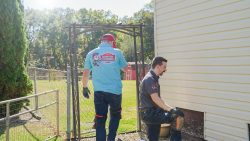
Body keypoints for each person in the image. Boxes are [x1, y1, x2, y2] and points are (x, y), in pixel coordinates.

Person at [82, 33, 128, 141]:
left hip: (99, 92)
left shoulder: (91, 53)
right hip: (115, 92)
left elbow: (85, 73)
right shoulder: (117, 52)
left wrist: (84, 87)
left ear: (101, 41)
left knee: (100, 118)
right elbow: (125, 69)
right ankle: (111, 139)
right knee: (115, 116)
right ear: (112, 42)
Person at [139, 56, 184, 141]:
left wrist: (170, 109)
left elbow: (159, 100)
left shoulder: (153, 78)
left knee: (153, 138)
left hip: (153, 111)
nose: (165, 69)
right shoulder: (150, 79)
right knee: (178, 116)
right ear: (158, 66)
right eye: (164, 67)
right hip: (150, 113)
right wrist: (171, 110)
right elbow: (155, 99)